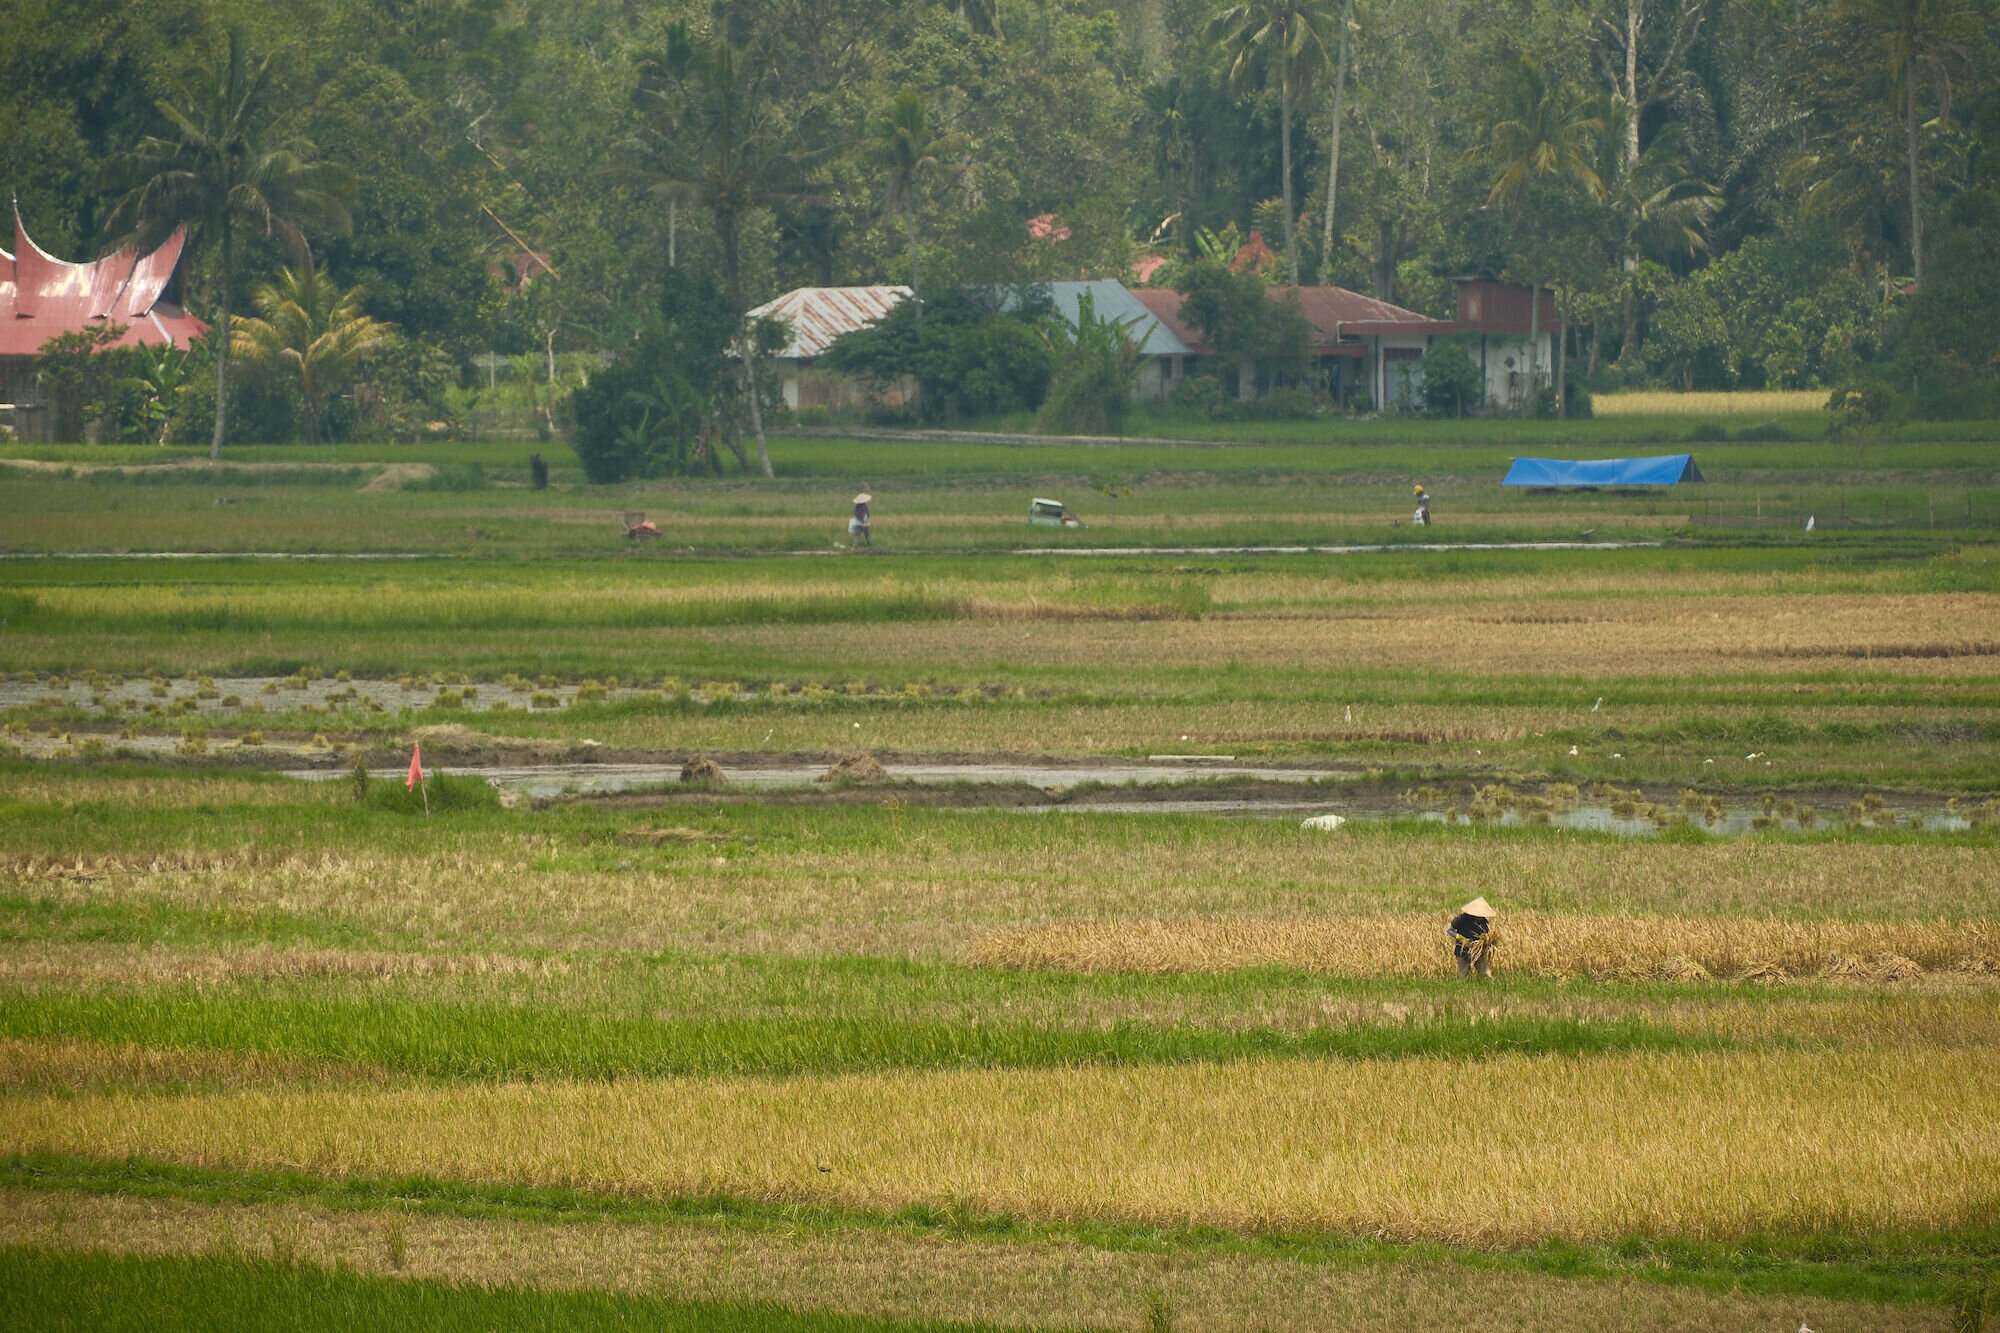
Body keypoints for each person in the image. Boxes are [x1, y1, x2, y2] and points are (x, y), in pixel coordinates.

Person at [1447, 896, 1494, 978]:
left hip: (1478, 951)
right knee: (1464, 976)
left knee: (1485, 974)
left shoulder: (1484, 921)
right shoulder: (1462, 919)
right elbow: (1449, 929)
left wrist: (1486, 942)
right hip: (1462, 950)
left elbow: (1486, 933)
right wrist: (1461, 938)